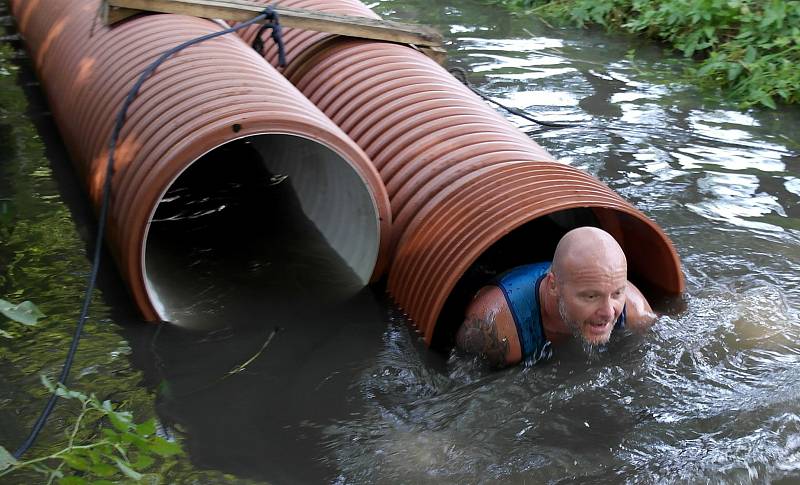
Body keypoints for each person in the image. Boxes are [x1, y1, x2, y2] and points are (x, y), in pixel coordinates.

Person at [455, 226, 655, 367]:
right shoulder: (499, 328)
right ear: (553, 286)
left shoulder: (634, 311)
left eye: (616, 293)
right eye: (591, 296)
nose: (608, 312)